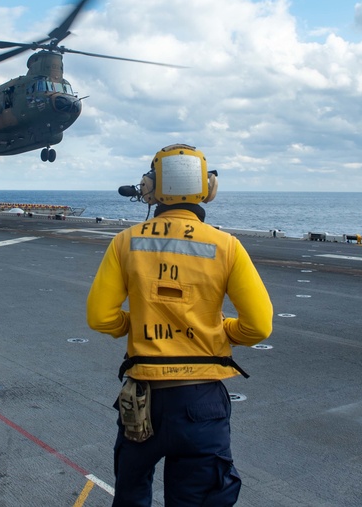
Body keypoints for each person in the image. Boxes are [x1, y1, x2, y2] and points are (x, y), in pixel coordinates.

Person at [87, 144, 274, 506]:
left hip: (141, 401)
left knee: (131, 492)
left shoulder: (126, 242)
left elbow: (100, 317)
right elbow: (259, 326)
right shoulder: (226, 246)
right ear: (208, 188)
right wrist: (221, 331)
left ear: (151, 188)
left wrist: (134, 324)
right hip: (201, 403)